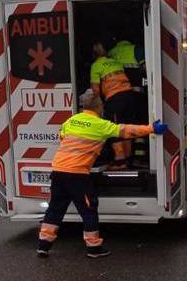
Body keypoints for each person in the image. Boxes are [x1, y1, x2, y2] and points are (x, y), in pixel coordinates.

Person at [37, 89, 168, 258]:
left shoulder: (71, 121)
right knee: (89, 210)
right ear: (99, 107)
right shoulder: (101, 125)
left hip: (58, 171)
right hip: (77, 175)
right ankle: (94, 248)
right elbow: (127, 130)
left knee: (55, 209)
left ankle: (43, 245)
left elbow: (62, 137)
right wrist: (152, 128)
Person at [90, 41, 137, 168]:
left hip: (115, 99)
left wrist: (95, 106)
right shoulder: (116, 63)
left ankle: (120, 161)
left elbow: (95, 90)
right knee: (126, 128)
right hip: (130, 97)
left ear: (93, 55)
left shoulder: (96, 65)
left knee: (112, 129)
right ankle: (128, 160)